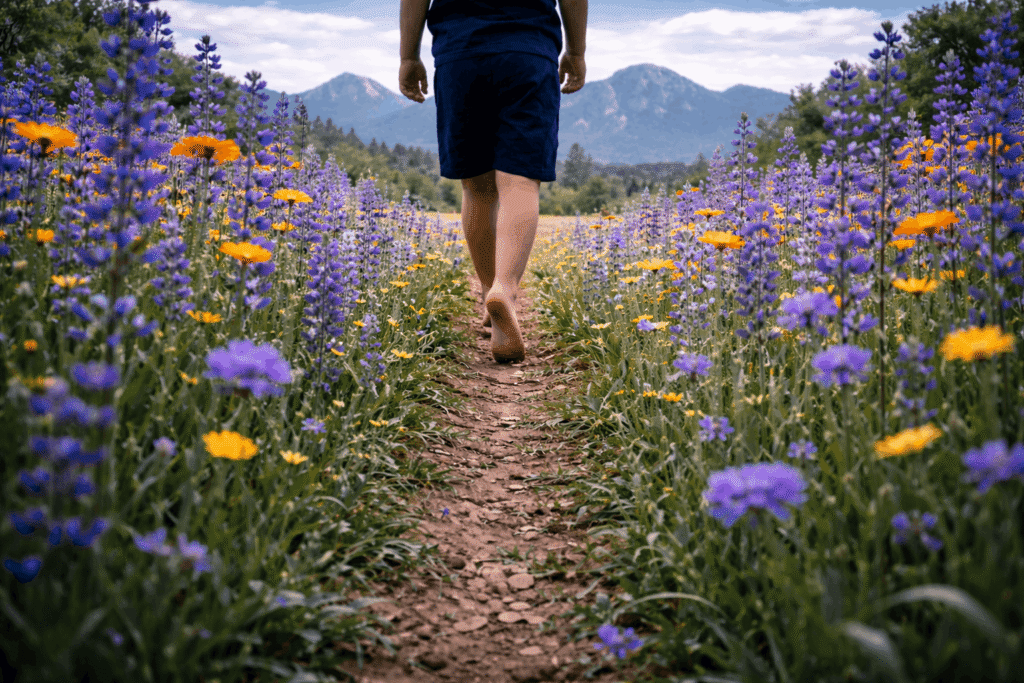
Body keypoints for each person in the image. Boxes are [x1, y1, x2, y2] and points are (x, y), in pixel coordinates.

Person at [398, 0, 588, 362]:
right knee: (519, 182)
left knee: (476, 185)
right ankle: (505, 290)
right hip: (528, 53)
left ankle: (489, 289)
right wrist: (575, 51)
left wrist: (409, 57)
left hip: (460, 55)